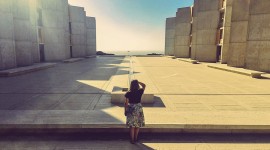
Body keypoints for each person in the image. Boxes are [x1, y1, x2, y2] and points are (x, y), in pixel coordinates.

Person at [124, 80, 146, 144]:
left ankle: (132, 140)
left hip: (131, 108)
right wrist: (138, 82)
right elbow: (144, 85)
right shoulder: (140, 91)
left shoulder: (128, 93)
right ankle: (136, 138)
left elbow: (126, 103)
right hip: (138, 108)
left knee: (132, 126)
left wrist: (125, 111)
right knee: (137, 125)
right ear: (137, 85)